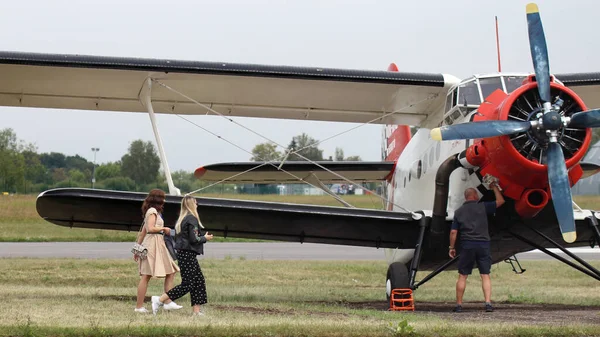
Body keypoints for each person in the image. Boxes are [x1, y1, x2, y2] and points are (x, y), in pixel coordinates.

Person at [151, 195, 214, 316]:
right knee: (187, 284)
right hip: (188, 254)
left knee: (199, 281)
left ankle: (196, 311)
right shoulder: (192, 219)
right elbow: (194, 239)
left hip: (184, 253)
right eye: (195, 202)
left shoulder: (183, 219)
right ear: (191, 204)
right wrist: (205, 238)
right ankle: (159, 300)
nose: (197, 204)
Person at [449, 183, 504, 313]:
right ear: (474, 196)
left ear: (466, 197)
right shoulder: (483, 207)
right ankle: (488, 303)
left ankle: (459, 305)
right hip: (483, 244)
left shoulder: (458, 212)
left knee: (463, 276)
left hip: (467, 245)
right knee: (485, 275)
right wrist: (494, 187)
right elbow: (501, 201)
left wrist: (451, 247)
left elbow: (453, 232)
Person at [134, 189, 182, 313]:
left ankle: (167, 301)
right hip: (152, 245)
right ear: (158, 199)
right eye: (163, 198)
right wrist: (164, 228)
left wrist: (137, 248)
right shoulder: (152, 211)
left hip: (158, 244)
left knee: (171, 271)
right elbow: (149, 229)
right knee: (146, 276)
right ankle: (139, 307)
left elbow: (143, 232)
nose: (164, 200)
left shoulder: (154, 212)